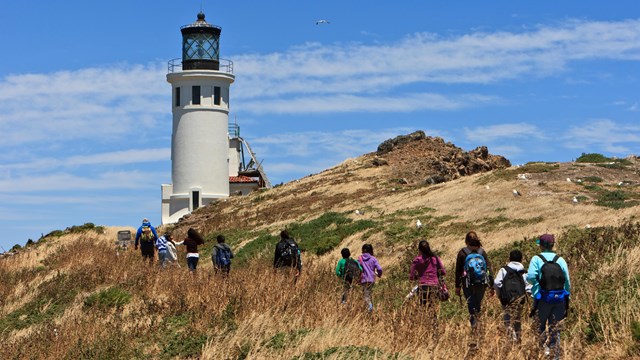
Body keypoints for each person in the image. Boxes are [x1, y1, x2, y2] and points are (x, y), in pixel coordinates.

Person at [527, 234, 570, 358]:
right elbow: (567, 280)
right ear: (552, 245)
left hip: (542, 298)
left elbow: (530, 277)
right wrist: (567, 296)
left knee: (539, 327)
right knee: (555, 329)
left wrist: (537, 284)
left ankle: (542, 353)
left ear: (541, 245)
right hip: (559, 299)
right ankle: (555, 356)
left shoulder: (536, 259)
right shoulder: (560, 259)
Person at [455, 231, 494, 337]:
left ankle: (474, 329)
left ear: (466, 241)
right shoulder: (481, 252)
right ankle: (478, 327)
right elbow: (489, 269)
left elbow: (458, 270)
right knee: (478, 305)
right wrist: (492, 285)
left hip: (467, 284)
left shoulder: (462, 252)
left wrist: (457, 286)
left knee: (471, 306)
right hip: (482, 283)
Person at [493, 249, 532, 343]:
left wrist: (500, 295)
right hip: (519, 300)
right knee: (517, 319)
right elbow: (528, 287)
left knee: (507, 321)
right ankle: (518, 340)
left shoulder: (504, 270)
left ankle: (512, 340)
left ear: (509, 259)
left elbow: (497, 283)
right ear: (521, 260)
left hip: (506, 300)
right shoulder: (523, 272)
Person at [409, 239, 446, 309]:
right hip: (434, 285)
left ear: (419, 250)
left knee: (424, 308)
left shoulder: (417, 260)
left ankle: (426, 319)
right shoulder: (435, 258)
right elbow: (443, 272)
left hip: (423, 286)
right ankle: (434, 319)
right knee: (433, 307)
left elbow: (411, 276)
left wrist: (418, 276)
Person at [358, 243, 383, 312]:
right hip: (371, 279)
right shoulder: (373, 259)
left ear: (363, 250)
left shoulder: (360, 258)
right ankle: (370, 308)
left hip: (363, 280)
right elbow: (380, 269)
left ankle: (369, 309)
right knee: (369, 294)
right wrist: (379, 274)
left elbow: (358, 268)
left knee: (366, 295)